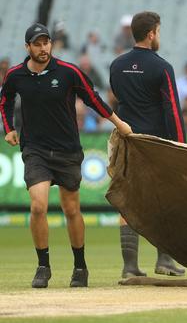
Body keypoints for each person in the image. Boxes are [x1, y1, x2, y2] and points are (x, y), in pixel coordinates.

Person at [0, 23, 133, 288]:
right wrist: (9, 129)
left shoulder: (69, 71)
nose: (43, 47)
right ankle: (43, 266)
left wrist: (119, 124)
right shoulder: (16, 75)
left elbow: (93, 99)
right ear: (28, 47)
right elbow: (5, 101)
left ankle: (80, 267)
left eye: (46, 42)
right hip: (35, 150)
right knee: (38, 206)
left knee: (71, 209)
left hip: (67, 150)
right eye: (37, 43)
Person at [109, 11, 186, 279]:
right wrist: (180, 147)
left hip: (128, 142)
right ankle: (164, 260)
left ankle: (130, 267)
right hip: (156, 145)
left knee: (129, 203)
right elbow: (172, 111)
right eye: (159, 32)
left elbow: (117, 97)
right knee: (164, 201)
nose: (159, 36)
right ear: (151, 33)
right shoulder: (162, 67)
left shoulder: (117, 65)